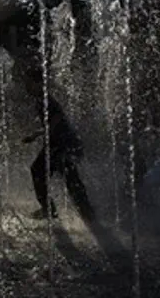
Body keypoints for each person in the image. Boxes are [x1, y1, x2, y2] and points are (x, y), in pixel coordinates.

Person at [23, 70, 94, 221]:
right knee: (69, 176)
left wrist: (49, 132)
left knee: (39, 170)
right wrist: (36, 135)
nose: (27, 86)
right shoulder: (42, 99)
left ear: (39, 84)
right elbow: (54, 121)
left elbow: (57, 118)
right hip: (63, 142)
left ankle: (49, 209)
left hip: (61, 143)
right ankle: (87, 212)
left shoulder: (45, 99)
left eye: (30, 82)